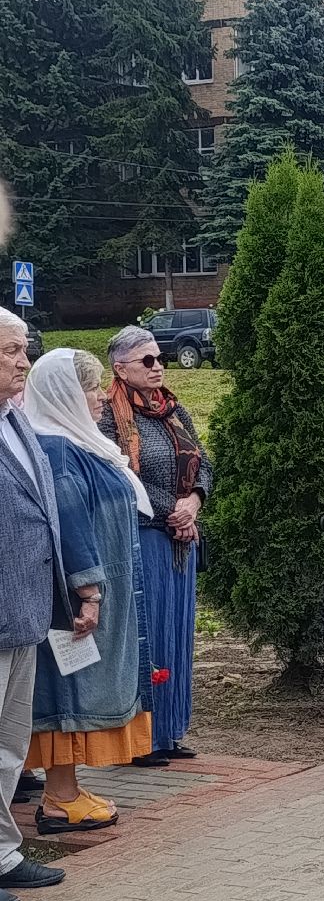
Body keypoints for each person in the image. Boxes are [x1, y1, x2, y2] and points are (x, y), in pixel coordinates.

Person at [23, 349, 155, 831]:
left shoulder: (80, 444)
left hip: (102, 590)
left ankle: (66, 789)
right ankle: (59, 799)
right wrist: (89, 591)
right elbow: (71, 528)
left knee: (78, 687)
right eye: (91, 388)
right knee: (67, 691)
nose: (100, 397)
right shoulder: (58, 451)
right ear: (65, 394)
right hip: (78, 601)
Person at [100, 325, 212, 767]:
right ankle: (141, 738)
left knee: (177, 633)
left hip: (180, 540)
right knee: (148, 634)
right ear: (120, 368)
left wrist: (194, 502)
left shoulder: (173, 409)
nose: (158, 366)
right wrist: (175, 510)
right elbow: (124, 477)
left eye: (160, 357)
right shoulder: (109, 415)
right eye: (147, 360)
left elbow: (204, 461)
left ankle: (169, 732)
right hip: (142, 536)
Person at [0, 305, 70, 901]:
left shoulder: (14, 421)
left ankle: (1, 854)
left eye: (22, 349)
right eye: (11, 351)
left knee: (8, 745)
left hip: (21, 610)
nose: (25, 361)